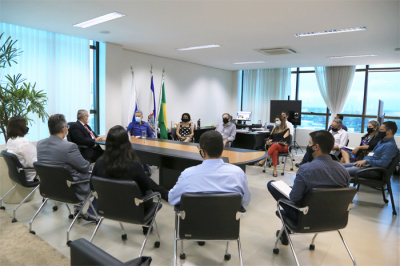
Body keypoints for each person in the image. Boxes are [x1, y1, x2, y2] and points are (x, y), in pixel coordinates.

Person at [267, 130, 350, 245]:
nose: (308, 146)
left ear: (316, 147)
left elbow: (294, 199)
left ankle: (286, 231)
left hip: (306, 217)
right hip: (334, 218)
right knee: (296, 189)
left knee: (272, 184)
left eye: (309, 143)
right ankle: (285, 233)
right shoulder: (344, 171)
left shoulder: (306, 169)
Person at [168, 130, 251, 207]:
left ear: (202, 152)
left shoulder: (187, 174)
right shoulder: (238, 173)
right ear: (222, 147)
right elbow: (246, 201)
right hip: (227, 222)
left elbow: (171, 199)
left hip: (195, 222)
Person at [37, 114, 95, 221]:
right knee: (93, 176)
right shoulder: (69, 146)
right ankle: (89, 212)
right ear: (64, 129)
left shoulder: (40, 144)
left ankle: (79, 209)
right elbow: (85, 168)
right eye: (67, 128)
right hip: (70, 190)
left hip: (48, 188)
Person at [92, 125, 169, 201]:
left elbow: (92, 185)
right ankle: (165, 193)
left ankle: (164, 193)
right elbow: (146, 186)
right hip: (133, 208)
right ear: (127, 142)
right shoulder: (134, 165)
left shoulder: (99, 162)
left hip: (106, 206)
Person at [5, 116, 37, 181]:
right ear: (21, 128)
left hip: (18, 175)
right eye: (25, 125)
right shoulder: (23, 142)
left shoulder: (10, 140)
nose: (27, 126)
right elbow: (32, 163)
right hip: (31, 175)